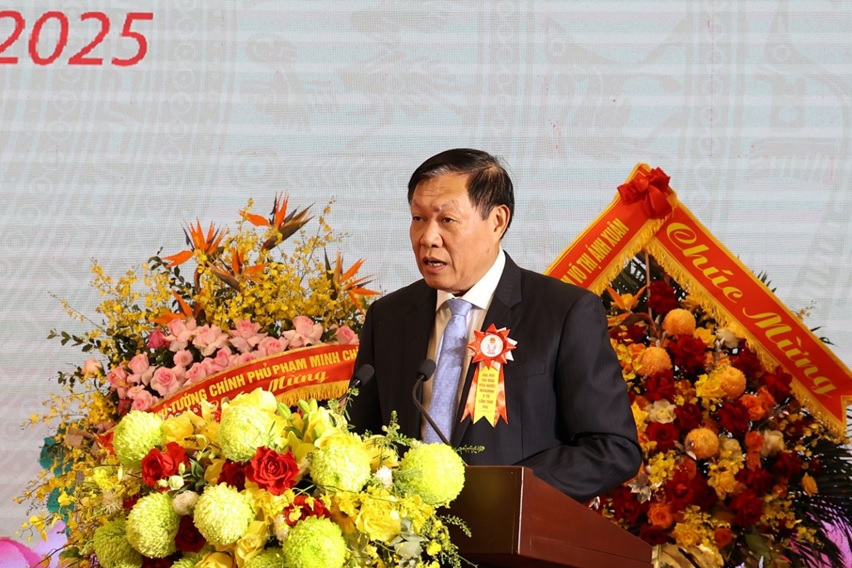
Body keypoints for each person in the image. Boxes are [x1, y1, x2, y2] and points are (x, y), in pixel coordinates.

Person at [349, 148, 641, 501]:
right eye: (418, 218)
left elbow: (612, 447)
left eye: (447, 220)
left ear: (498, 221)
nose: (427, 237)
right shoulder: (389, 317)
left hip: (512, 526)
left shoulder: (563, 312)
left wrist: (506, 490)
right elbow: (358, 438)